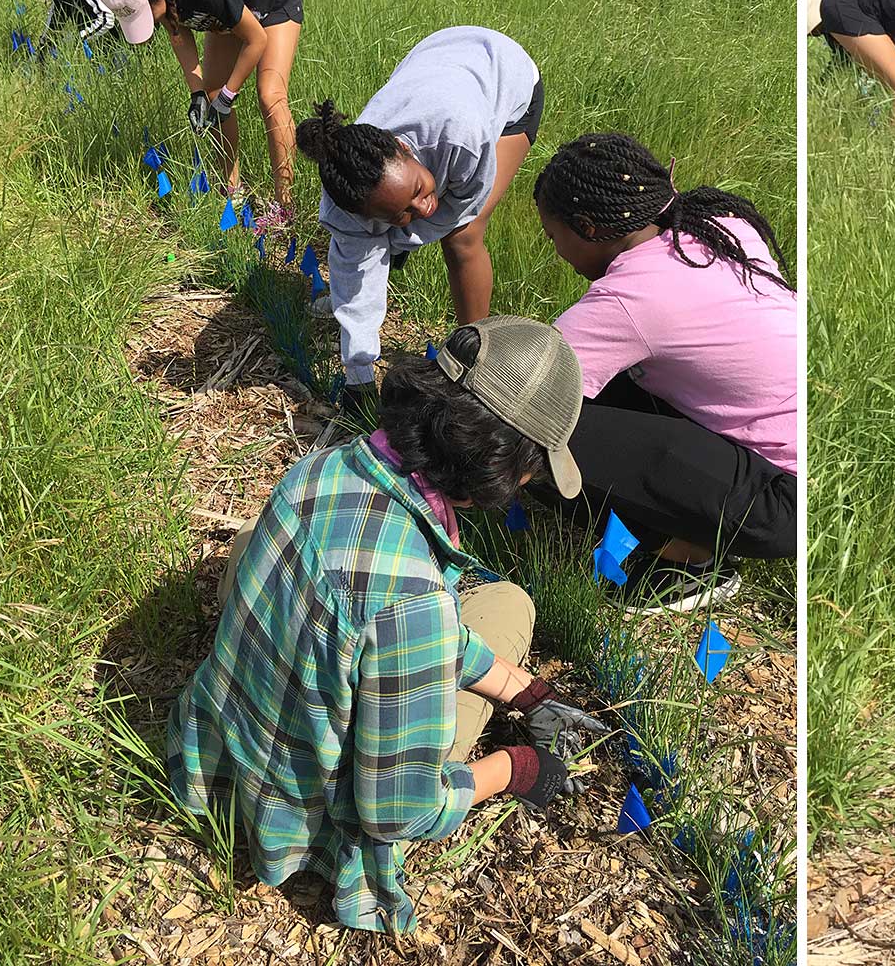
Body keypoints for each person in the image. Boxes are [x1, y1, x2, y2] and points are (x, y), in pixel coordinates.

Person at [166, 317, 608, 934]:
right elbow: (397, 811)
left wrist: (521, 691)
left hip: (218, 759)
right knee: (508, 604)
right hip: (304, 814)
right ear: (507, 465)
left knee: (254, 548)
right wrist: (518, 769)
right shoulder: (415, 605)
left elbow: (386, 624)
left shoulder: (323, 467)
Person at [534, 133, 797, 610]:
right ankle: (684, 529)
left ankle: (690, 559)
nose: (557, 253)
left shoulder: (630, 297)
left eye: (556, 238)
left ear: (589, 227)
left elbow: (518, 385)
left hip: (782, 501)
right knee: (605, 388)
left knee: (532, 433)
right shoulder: (720, 225)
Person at [296, 26, 544, 397]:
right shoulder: (345, 203)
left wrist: (400, 238)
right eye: (397, 214)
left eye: (417, 190)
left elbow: (462, 206)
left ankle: (477, 362)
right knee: (371, 256)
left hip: (502, 73)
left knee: (463, 236)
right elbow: (355, 266)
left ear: (404, 149)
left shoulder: (464, 138)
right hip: (437, 65)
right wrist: (358, 374)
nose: (424, 206)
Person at [93, 0, 305, 216]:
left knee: (270, 95)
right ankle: (232, 190)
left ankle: (285, 204)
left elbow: (256, 40)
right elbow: (176, 30)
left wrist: (230, 95)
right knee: (213, 90)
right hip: (230, 2)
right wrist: (198, 94)